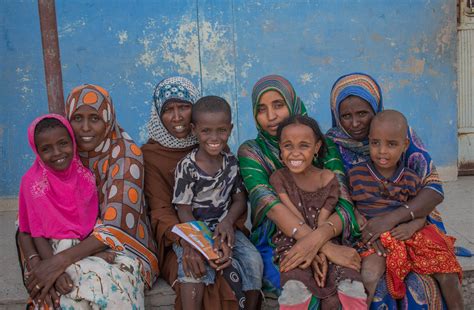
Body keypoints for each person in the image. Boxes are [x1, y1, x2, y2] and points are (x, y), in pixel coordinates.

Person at [17, 84, 159, 309]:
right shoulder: (61, 153)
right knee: (56, 293)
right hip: (62, 246)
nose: (85, 128)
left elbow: (115, 227)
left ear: (108, 119)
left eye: (94, 118)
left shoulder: (125, 155)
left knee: (105, 286)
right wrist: (41, 263)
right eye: (77, 118)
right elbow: (29, 221)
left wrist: (57, 263)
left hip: (119, 247)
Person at [325, 72, 450, 308]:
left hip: (407, 224)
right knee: (374, 283)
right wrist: (367, 227)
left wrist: (393, 220)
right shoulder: (331, 145)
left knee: (427, 282)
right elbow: (337, 197)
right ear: (336, 116)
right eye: (346, 116)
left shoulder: (401, 134)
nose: (354, 123)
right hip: (361, 232)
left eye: (362, 113)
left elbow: (433, 189)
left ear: (376, 109)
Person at [238, 75, 362, 309]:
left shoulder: (324, 146)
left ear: (292, 104)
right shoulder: (251, 152)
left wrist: (319, 239)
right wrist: (322, 246)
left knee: (341, 291)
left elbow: (345, 204)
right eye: (262, 109)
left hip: (329, 231)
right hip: (277, 240)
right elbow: (270, 205)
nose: (271, 116)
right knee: (301, 290)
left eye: (278, 105)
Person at [142, 77, 250, 309]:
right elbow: (161, 211)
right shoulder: (151, 155)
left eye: (184, 107)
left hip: (217, 231)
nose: (177, 116)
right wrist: (191, 242)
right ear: (158, 115)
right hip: (176, 238)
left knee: (241, 267)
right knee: (195, 269)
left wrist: (225, 229)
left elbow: (233, 196)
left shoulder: (215, 146)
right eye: (168, 109)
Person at [348, 110, 463, 308]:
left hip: (410, 236)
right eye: (375, 143)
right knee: (368, 276)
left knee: (447, 272)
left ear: (405, 145)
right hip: (375, 240)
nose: (382, 151)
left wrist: (411, 227)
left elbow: (421, 212)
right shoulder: (356, 175)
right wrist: (357, 216)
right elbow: (348, 203)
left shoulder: (411, 178)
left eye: (391, 144)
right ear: (369, 141)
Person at [172, 95, 263, 310]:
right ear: (194, 130)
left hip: (224, 228)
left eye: (221, 130)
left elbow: (240, 199)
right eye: (206, 131)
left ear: (230, 129)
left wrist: (228, 222)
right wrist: (202, 240)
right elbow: (183, 210)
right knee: (191, 268)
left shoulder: (231, 163)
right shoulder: (187, 167)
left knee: (253, 260)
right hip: (195, 229)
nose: (214, 137)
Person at [270, 115, 366, 309]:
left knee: (350, 283)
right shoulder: (278, 178)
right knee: (294, 286)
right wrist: (314, 248)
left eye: (304, 146)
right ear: (280, 147)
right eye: (288, 146)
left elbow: (326, 214)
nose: (295, 153)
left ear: (317, 147)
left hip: (328, 240)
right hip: (292, 244)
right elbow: (291, 214)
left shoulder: (327, 177)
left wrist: (319, 245)